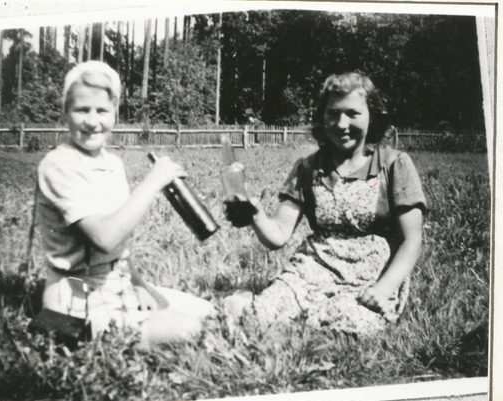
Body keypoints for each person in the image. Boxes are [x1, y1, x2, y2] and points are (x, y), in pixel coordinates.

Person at [224, 73, 426, 334]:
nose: (342, 124)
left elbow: (412, 240)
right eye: (333, 113)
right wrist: (255, 213)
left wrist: (384, 289)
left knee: (347, 325)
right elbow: (278, 236)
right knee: (259, 317)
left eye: (353, 113)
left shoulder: (394, 164)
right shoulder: (308, 168)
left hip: (370, 279)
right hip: (313, 269)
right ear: (322, 117)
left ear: (372, 116)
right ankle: (246, 303)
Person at [35, 61, 215, 349]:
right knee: (190, 330)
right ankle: (89, 337)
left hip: (116, 286)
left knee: (209, 314)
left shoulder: (112, 164)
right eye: (82, 110)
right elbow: (105, 238)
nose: (92, 121)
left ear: (115, 112)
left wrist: (139, 286)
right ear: (66, 112)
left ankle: (133, 314)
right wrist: (152, 182)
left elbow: (119, 248)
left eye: (102, 111)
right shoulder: (58, 165)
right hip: (73, 303)